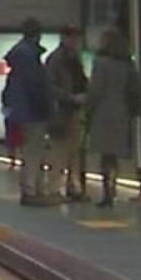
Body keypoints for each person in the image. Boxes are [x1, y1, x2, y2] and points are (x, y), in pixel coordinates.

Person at [85, 29, 141, 208]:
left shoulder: (100, 63)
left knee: (105, 154)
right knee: (113, 153)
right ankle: (113, 186)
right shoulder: (127, 64)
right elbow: (137, 87)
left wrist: (88, 110)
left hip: (103, 112)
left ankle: (108, 192)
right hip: (121, 112)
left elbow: (95, 90)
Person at [2, 19, 55, 205]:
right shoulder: (29, 56)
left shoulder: (19, 56)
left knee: (30, 151)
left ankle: (34, 190)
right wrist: (45, 108)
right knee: (34, 151)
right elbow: (36, 86)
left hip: (22, 110)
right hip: (32, 110)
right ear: (37, 33)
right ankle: (32, 192)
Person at [46, 26, 90, 201]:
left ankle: (74, 187)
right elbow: (51, 87)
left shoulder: (73, 58)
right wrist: (71, 97)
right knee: (60, 152)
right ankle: (54, 189)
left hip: (74, 110)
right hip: (61, 111)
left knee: (74, 152)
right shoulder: (57, 59)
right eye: (73, 38)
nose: (76, 43)